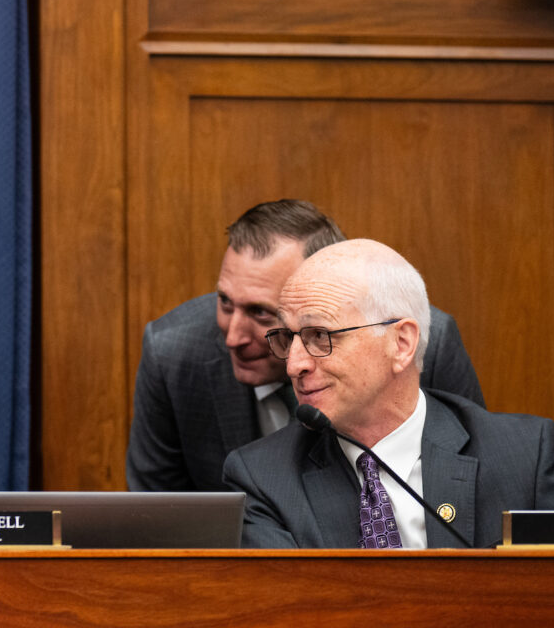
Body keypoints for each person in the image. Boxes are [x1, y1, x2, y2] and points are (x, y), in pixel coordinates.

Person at [223, 239, 554, 548]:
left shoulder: (525, 458)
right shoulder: (263, 479)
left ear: (401, 343)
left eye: (320, 336)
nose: (294, 365)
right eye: (288, 339)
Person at [126, 200, 483, 493]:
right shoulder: (174, 354)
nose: (233, 336)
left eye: (262, 314)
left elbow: (473, 484)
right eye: (225, 302)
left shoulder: (414, 344)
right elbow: (155, 521)